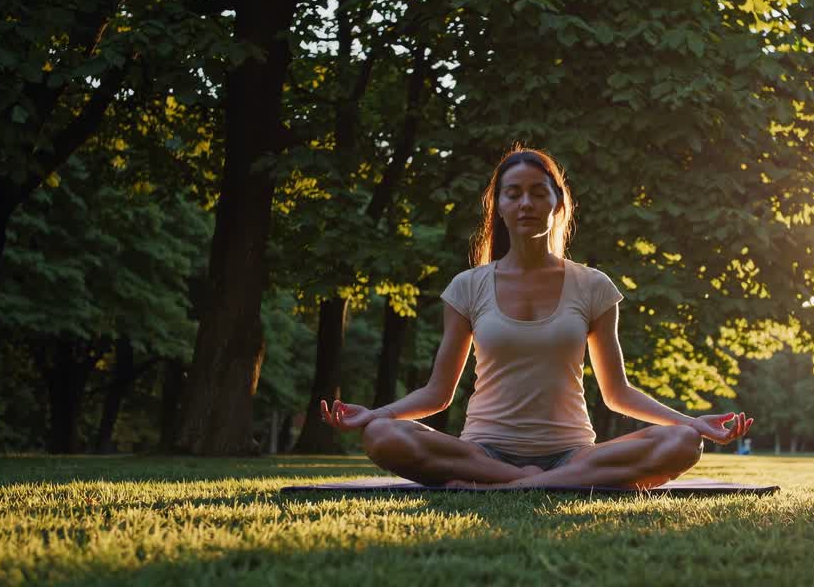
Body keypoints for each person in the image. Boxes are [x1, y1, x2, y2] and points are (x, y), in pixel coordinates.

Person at [321, 147, 753, 489]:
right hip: (483, 455)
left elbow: (617, 393)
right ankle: (541, 484)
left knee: (683, 441)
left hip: (573, 453)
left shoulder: (593, 286)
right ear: (500, 206)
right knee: (381, 434)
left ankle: (512, 487)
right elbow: (437, 393)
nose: (526, 202)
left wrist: (691, 421)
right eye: (514, 193)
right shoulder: (467, 287)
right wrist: (375, 413)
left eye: (538, 192)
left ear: (557, 203)